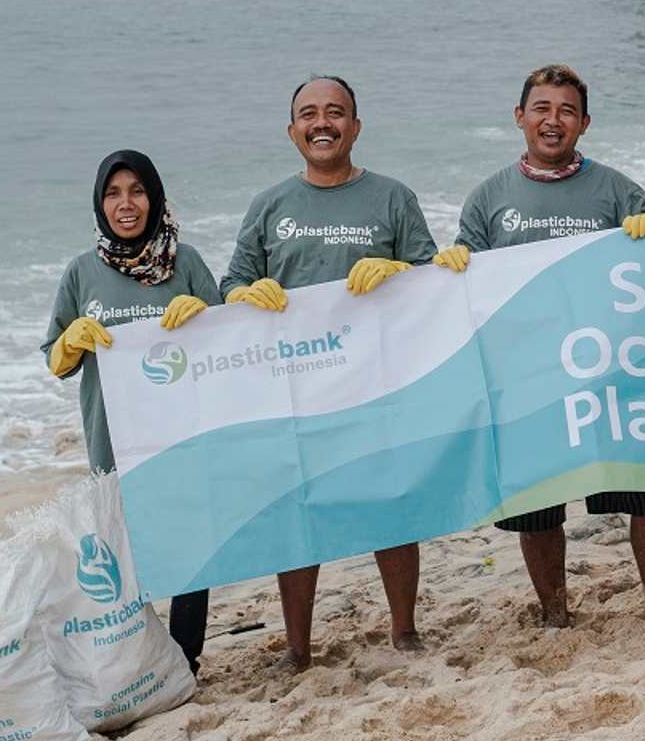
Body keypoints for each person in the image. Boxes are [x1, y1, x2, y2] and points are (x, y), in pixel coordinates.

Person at [433, 64, 645, 630]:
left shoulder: (619, 190)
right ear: (520, 117)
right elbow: (465, 287)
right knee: (537, 499)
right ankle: (553, 612)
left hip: (612, 366)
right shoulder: (489, 197)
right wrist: (450, 265)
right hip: (528, 375)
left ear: (585, 123)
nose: (554, 121)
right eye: (542, 109)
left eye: (567, 111)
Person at [219, 75, 438, 670]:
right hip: (295, 389)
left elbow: (432, 277)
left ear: (356, 127)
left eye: (335, 113)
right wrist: (248, 292)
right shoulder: (270, 204)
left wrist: (397, 273)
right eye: (309, 114)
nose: (323, 123)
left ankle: (404, 630)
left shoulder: (392, 197)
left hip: (377, 382)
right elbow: (231, 283)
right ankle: (296, 646)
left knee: (390, 504)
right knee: (301, 513)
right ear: (292, 131)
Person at [43, 149, 217, 675]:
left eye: (137, 191)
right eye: (113, 193)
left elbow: (230, 346)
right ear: (99, 203)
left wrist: (207, 315)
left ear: (154, 198)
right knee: (120, 554)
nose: (126, 204)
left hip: (183, 434)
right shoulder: (81, 272)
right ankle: (134, 659)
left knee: (190, 550)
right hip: (113, 437)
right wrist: (72, 340)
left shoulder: (184, 262)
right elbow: (56, 362)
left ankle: (186, 659)